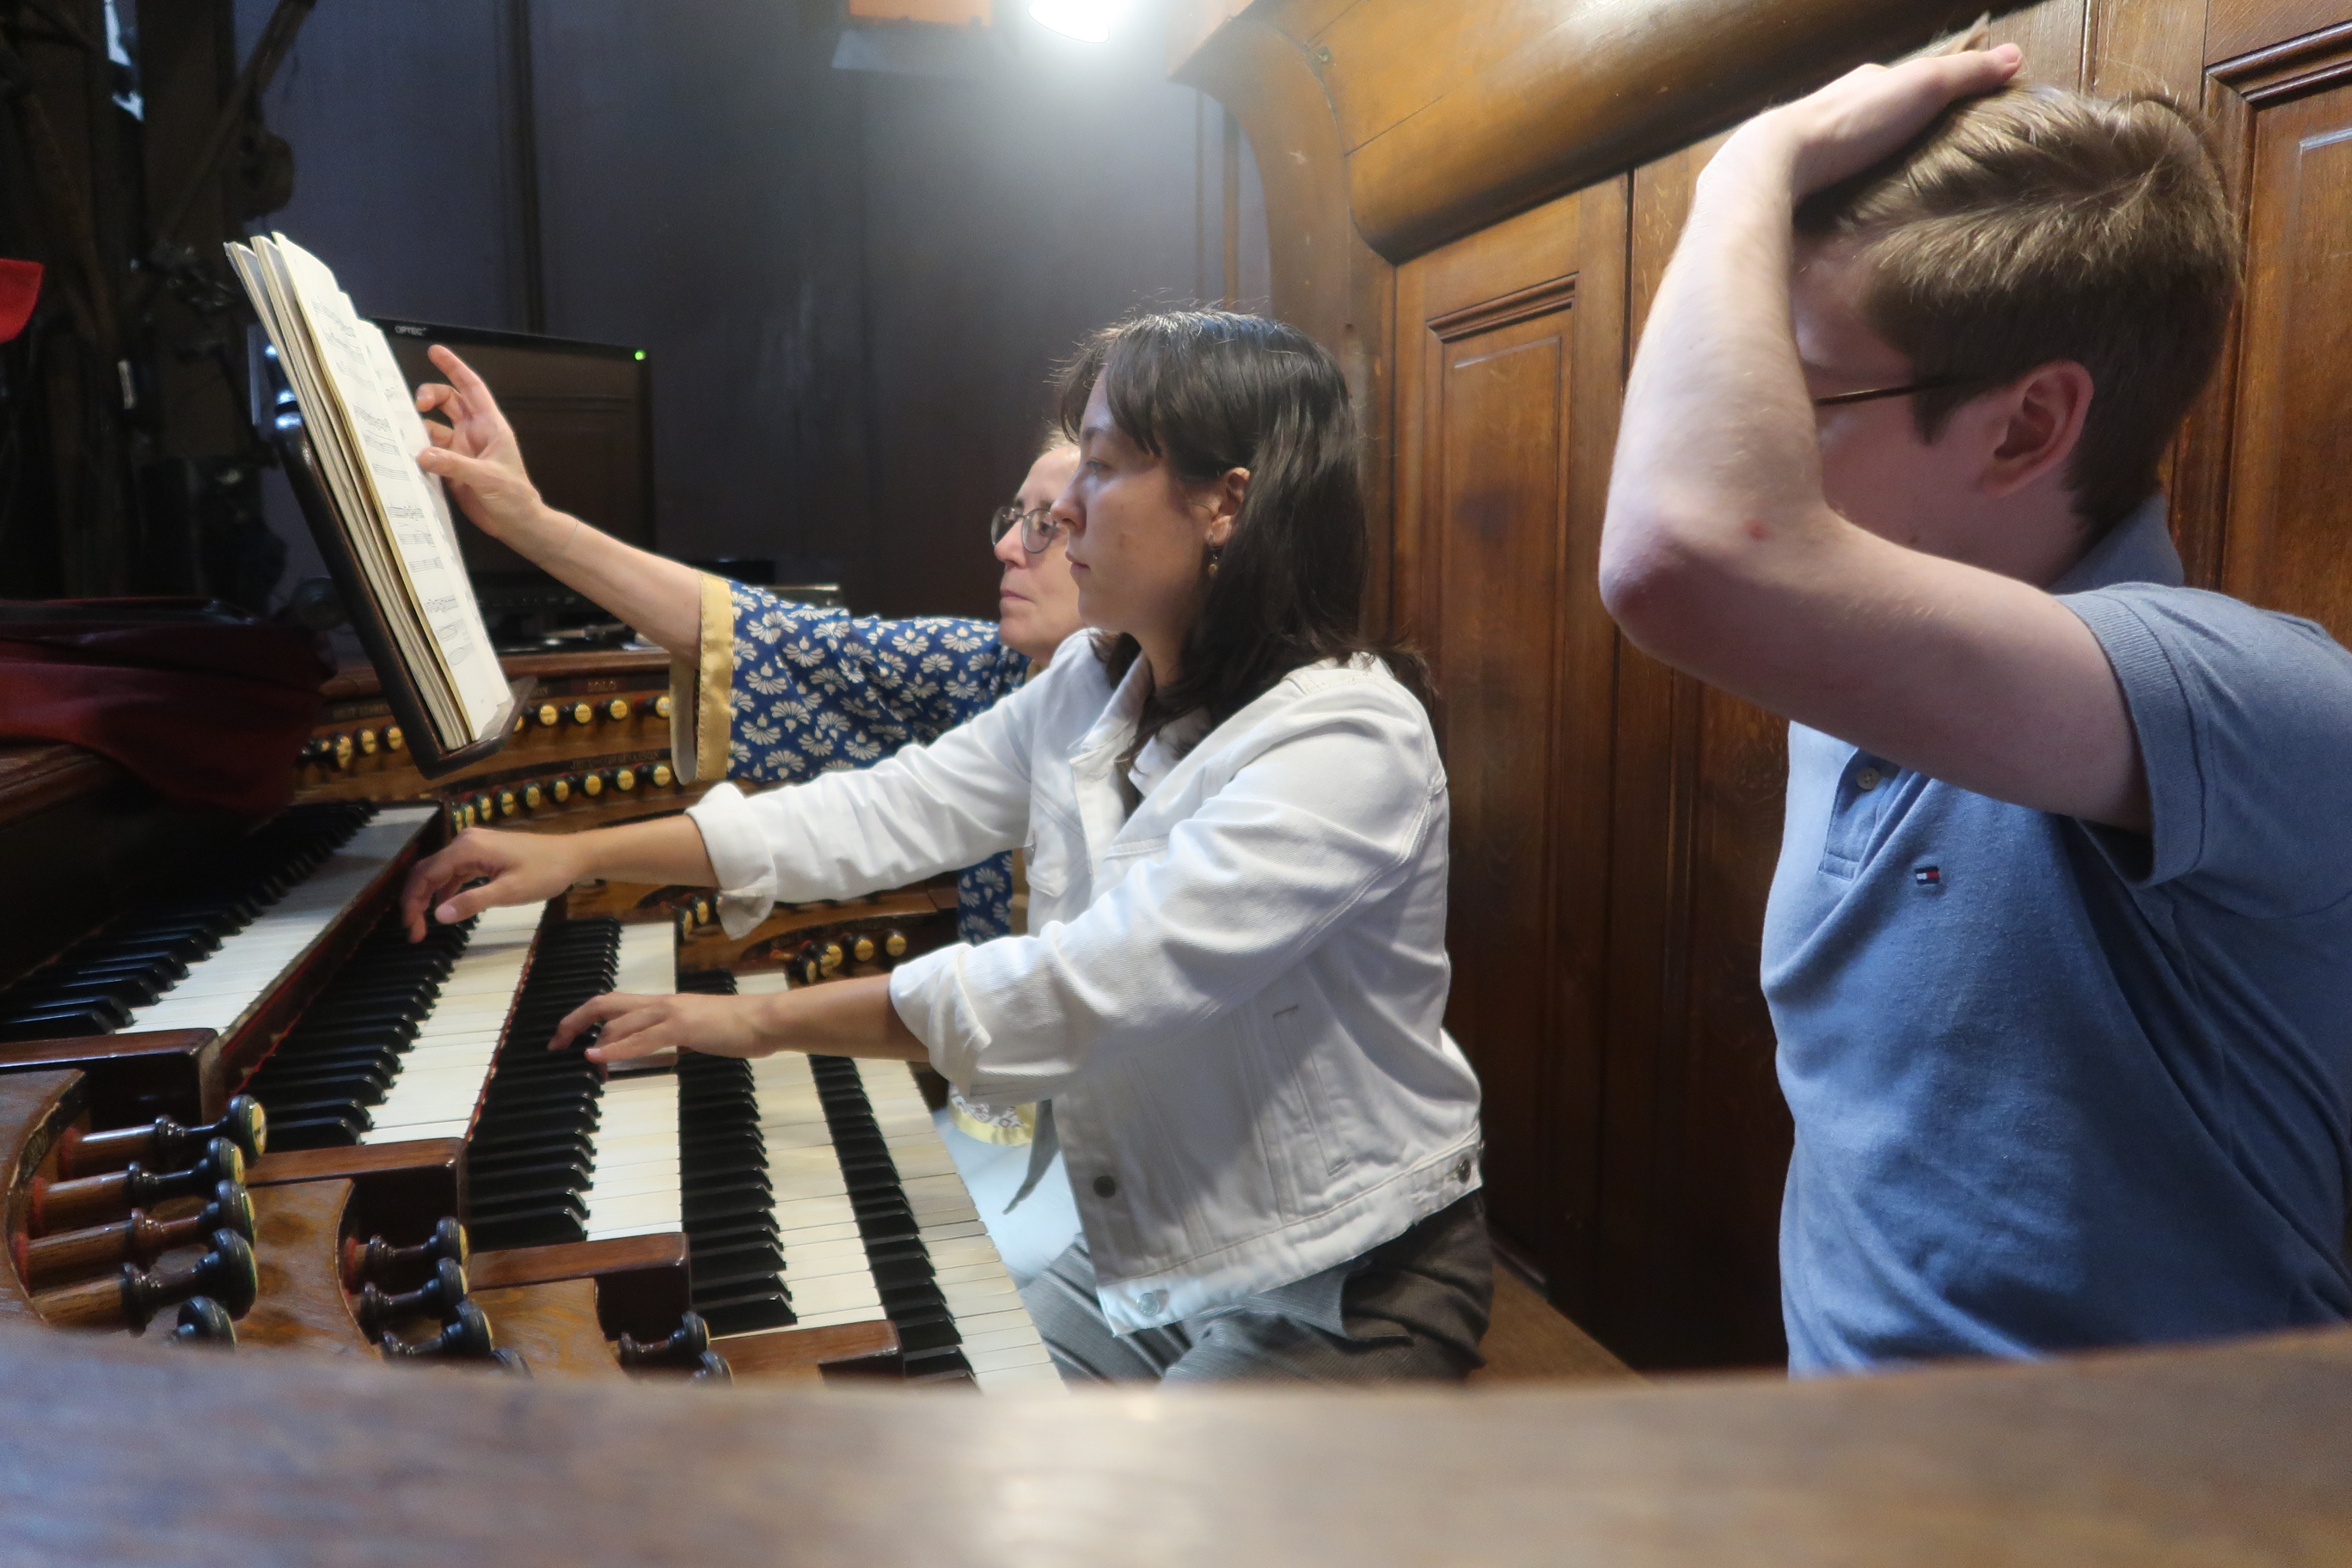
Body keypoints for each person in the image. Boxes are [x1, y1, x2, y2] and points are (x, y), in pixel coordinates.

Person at [401, 309, 1492, 1384]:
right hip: (1162, 1256)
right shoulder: (1095, 680)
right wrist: (580, 855)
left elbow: (1077, 992)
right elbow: (890, 809)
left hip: (1344, 1284)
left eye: (1103, 466)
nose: (1062, 510)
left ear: (1225, 504)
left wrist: (753, 1022)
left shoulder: (1348, 740)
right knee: (940, 1436)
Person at [1600, 41, 2352, 1373]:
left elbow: (1689, 551)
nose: (1736, 426)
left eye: (1794, 391)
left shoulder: (2255, 703)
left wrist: (1748, 165)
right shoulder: (1851, 656)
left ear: (2024, 428)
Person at [410, 346, 1080, 1149]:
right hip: (1024, 1106)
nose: (1008, 547)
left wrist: (757, 1020)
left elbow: (1060, 996)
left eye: (1049, 526)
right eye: (1016, 518)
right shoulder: (997, 673)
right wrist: (531, 524)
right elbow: (777, 654)